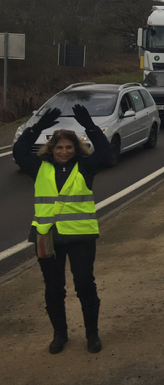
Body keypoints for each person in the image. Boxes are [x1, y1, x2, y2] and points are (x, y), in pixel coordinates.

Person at [13, 105, 110, 355]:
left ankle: (92, 334)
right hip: (47, 237)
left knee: (84, 285)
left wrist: (90, 126)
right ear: (51, 149)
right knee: (53, 289)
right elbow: (19, 151)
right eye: (59, 147)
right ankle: (60, 334)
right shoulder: (38, 167)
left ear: (76, 149)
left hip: (80, 236)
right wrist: (37, 127)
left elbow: (106, 152)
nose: (64, 152)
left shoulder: (86, 167)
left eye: (69, 147)